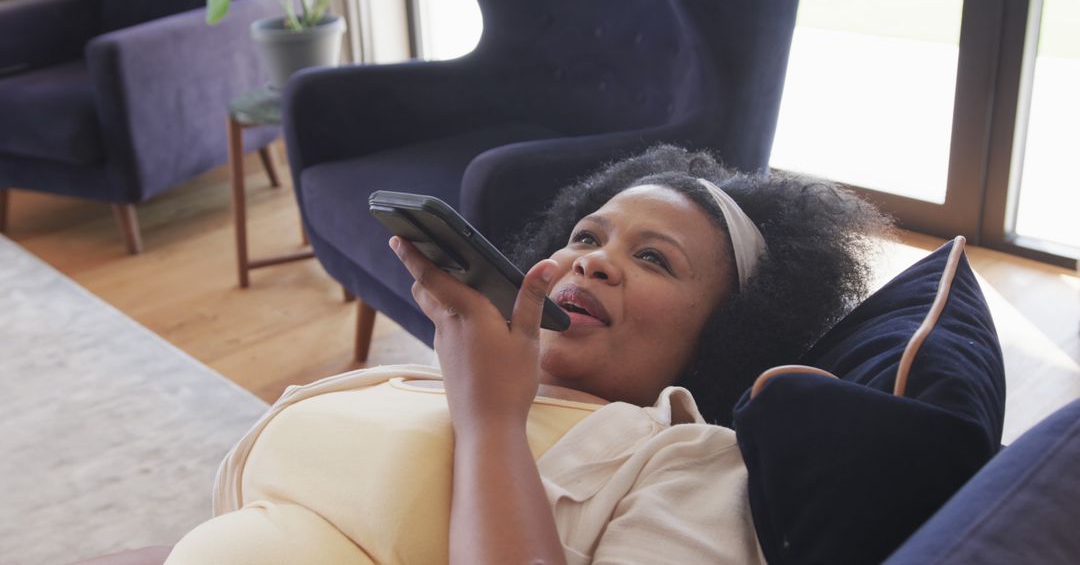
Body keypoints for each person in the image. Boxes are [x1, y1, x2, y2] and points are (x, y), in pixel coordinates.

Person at [84, 145, 891, 564]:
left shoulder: (688, 462)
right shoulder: (431, 377)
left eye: (655, 260)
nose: (593, 261)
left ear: (721, 335)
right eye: (587, 236)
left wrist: (493, 420)